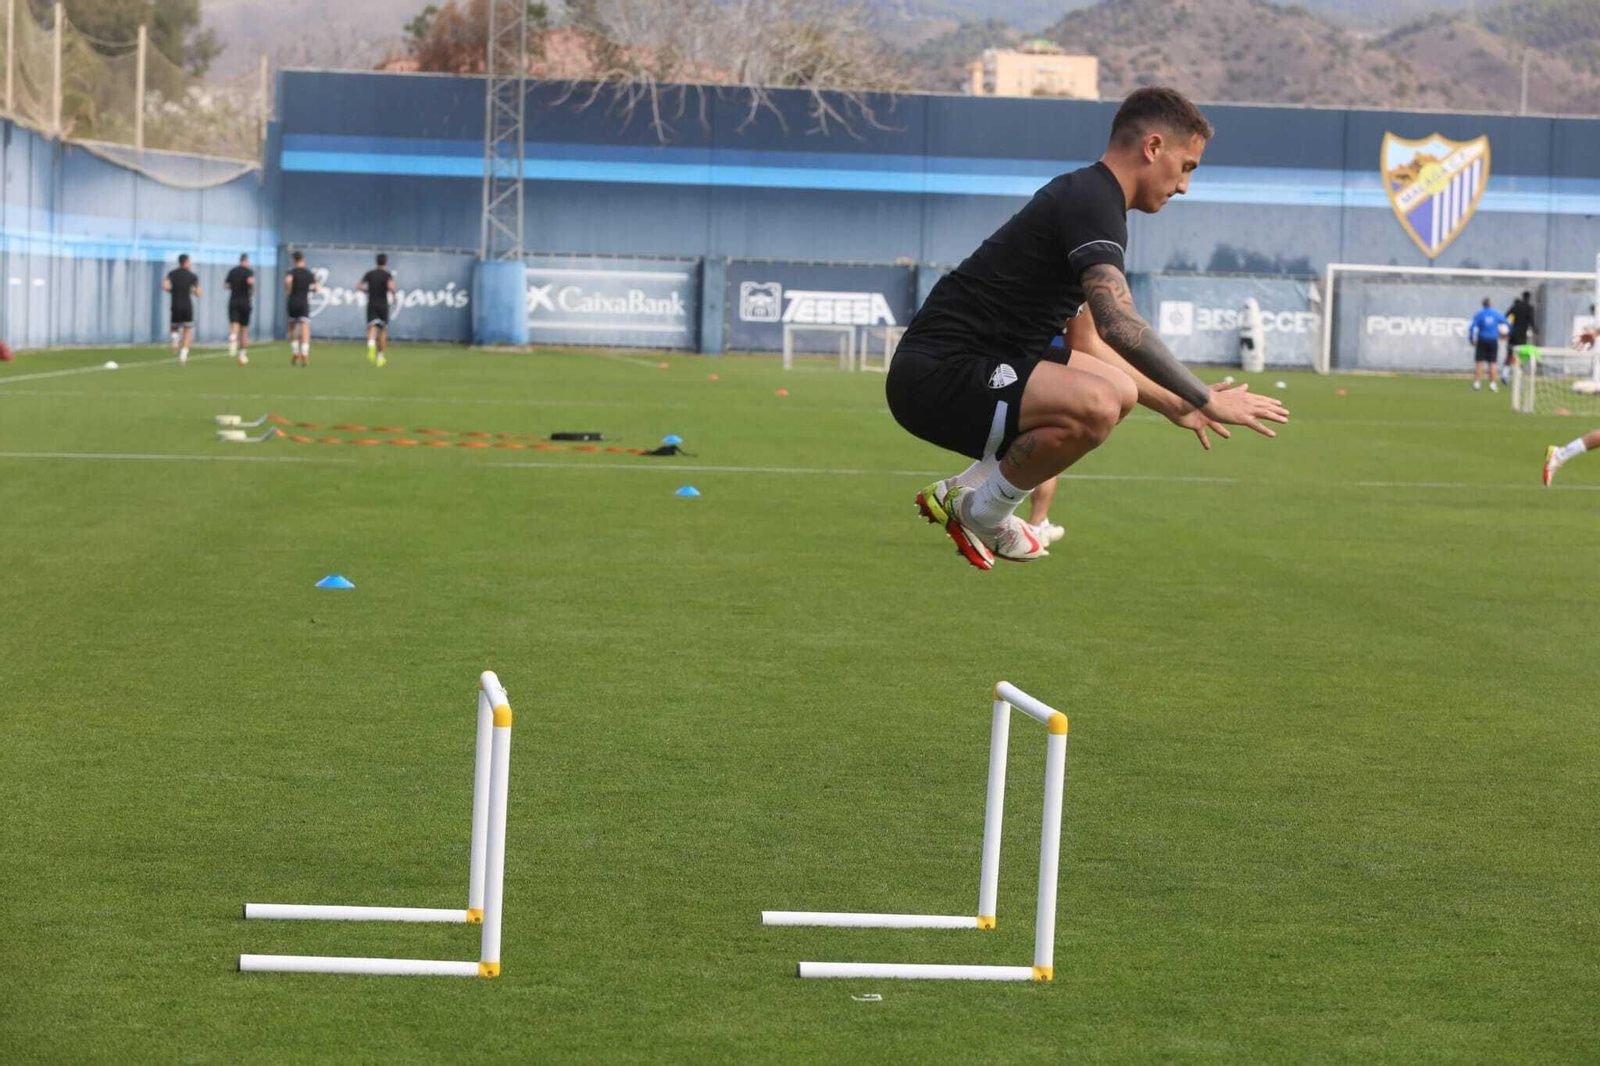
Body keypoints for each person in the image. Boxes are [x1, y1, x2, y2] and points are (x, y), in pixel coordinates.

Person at [886, 86, 1288, 570]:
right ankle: (984, 512)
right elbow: (1120, 323)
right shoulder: (1091, 201)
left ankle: (966, 492)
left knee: (1116, 389)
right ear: (1154, 147)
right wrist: (1206, 397)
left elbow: (1089, 342)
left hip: (980, 365)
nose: (1184, 186)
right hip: (937, 375)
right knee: (1095, 404)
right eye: (1187, 167)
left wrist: (1176, 404)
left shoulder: (1091, 201)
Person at [359, 253, 398, 368]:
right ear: (385, 262)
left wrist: (367, 291)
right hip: (383, 304)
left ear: (376, 262)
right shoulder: (387, 275)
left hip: (371, 303)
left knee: (372, 327)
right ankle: (380, 356)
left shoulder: (370, 274)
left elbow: (359, 286)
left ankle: (371, 346)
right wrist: (394, 295)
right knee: (382, 330)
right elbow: (391, 287)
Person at [162, 254, 200, 365]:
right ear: (186, 262)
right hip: (187, 306)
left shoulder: (172, 274)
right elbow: (198, 293)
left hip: (175, 305)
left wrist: (172, 290)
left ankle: (175, 339)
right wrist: (193, 290)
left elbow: (164, 285)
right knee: (187, 331)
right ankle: (183, 357)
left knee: (174, 327)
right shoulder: (193, 276)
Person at [284, 251, 318, 367]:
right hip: (303, 302)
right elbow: (317, 288)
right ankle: (304, 353)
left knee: (292, 328)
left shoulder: (291, 272)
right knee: (305, 328)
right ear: (303, 259)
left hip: (292, 301)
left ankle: (295, 352)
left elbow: (288, 281)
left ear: (294, 260)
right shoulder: (308, 273)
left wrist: (289, 292)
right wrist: (310, 289)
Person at [1468, 297, 1508, 391]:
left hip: (1482, 339)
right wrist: (1505, 334)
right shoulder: (1496, 314)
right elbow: (1507, 323)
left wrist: (1471, 338)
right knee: (1493, 363)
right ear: (1491, 304)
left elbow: (1472, 327)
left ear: (1483, 304)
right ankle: (1493, 385)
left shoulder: (1479, 314)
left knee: (1479, 362)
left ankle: (1477, 384)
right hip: (1493, 340)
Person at [224, 253, 255, 366]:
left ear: (239, 260)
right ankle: (242, 355)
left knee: (234, 325)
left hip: (233, 301)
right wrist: (251, 289)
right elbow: (251, 282)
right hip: (245, 302)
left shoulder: (232, 271)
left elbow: (226, 286)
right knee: (244, 329)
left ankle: (233, 337)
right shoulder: (248, 271)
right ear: (246, 261)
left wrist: (234, 286)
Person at [1501, 290, 1535, 384]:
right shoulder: (1529, 307)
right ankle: (1518, 378)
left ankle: (1504, 374)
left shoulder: (1515, 306)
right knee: (1521, 356)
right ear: (1529, 298)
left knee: (1509, 354)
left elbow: (1506, 316)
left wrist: (1507, 328)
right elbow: (1532, 321)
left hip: (1513, 335)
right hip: (1522, 336)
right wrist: (1535, 331)